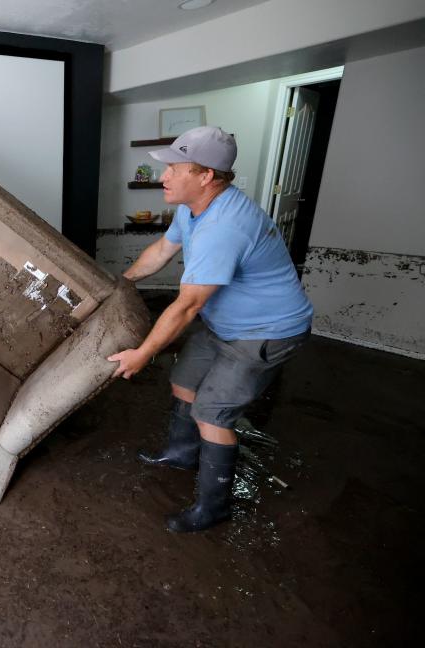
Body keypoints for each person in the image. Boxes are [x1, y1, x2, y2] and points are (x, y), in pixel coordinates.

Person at [108, 126, 313, 533]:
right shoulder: (191, 208)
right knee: (184, 380)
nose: (163, 177)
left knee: (213, 412)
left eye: (174, 169)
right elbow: (161, 251)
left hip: (266, 330)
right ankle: (183, 454)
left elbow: (186, 306)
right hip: (224, 321)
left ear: (206, 176)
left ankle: (213, 506)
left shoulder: (225, 227)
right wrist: (120, 286)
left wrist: (142, 353)